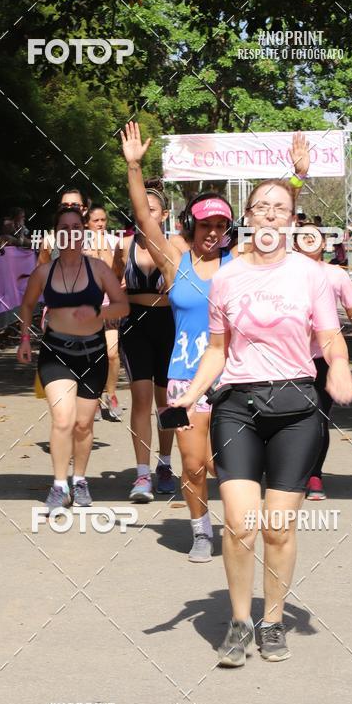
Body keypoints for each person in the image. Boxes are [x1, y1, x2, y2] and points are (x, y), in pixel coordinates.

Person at [172, 162, 352, 664]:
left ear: (293, 220)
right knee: (240, 523)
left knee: (277, 526)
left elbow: (329, 335)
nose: (271, 215)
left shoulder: (310, 275)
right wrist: (191, 395)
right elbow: (216, 349)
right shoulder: (227, 279)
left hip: (297, 407)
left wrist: (338, 366)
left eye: (281, 208)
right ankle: (237, 621)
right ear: (248, 219)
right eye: (261, 208)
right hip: (238, 407)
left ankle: (272, 621)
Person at [120, 121, 234, 558]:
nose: (212, 232)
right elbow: (145, 217)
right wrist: (134, 167)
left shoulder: (238, 261)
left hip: (234, 376)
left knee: (229, 464)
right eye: (206, 224)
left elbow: (276, 231)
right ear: (191, 224)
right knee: (194, 463)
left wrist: (295, 183)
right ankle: (202, 529)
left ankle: (240, 522)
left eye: (221, 225)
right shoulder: (173, 258)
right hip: (185, 376)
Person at [17, 204, 128, 510]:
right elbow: (27, 305)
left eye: (75, 228)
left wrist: (98, 311)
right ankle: (58, 485)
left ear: (83, 234)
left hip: (92, 354)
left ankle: (79, 480)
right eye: (63, 229)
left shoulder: (99, 269)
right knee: (63, 419)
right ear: (56, 235)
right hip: (56, 353)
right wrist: (26, 338)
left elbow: (122, 306)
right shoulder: (44, 272)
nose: (70, 234)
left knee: (83, 425)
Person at [296, 226, 352, 500]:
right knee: (287, 416)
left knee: (318, 417)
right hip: (287, 359)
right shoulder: (281, 274)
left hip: (323, 358)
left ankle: (314, 474)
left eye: (314, 236)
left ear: (325, 244)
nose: (308, 239)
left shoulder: (335, 275)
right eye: (302, 235)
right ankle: (288, 469)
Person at [113, 174, 178, 502]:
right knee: (140, 398)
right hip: (135, 325)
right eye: (142, 209)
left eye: (152, 210)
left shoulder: (177, 246)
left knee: (165, 400)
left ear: (164, 215)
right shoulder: (125, 246)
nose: (146, 215)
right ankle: (141, 475)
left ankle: (165, 465)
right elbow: (111, 282)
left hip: (169, 324)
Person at [84, 203, 122, 421]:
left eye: (103, 220)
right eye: (96, 220)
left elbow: (113, 272)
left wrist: (100, 250)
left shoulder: (112, 241)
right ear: (87, 223)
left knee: (112, 353)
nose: (100, 224)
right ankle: (95, 397)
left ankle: (112, 394)